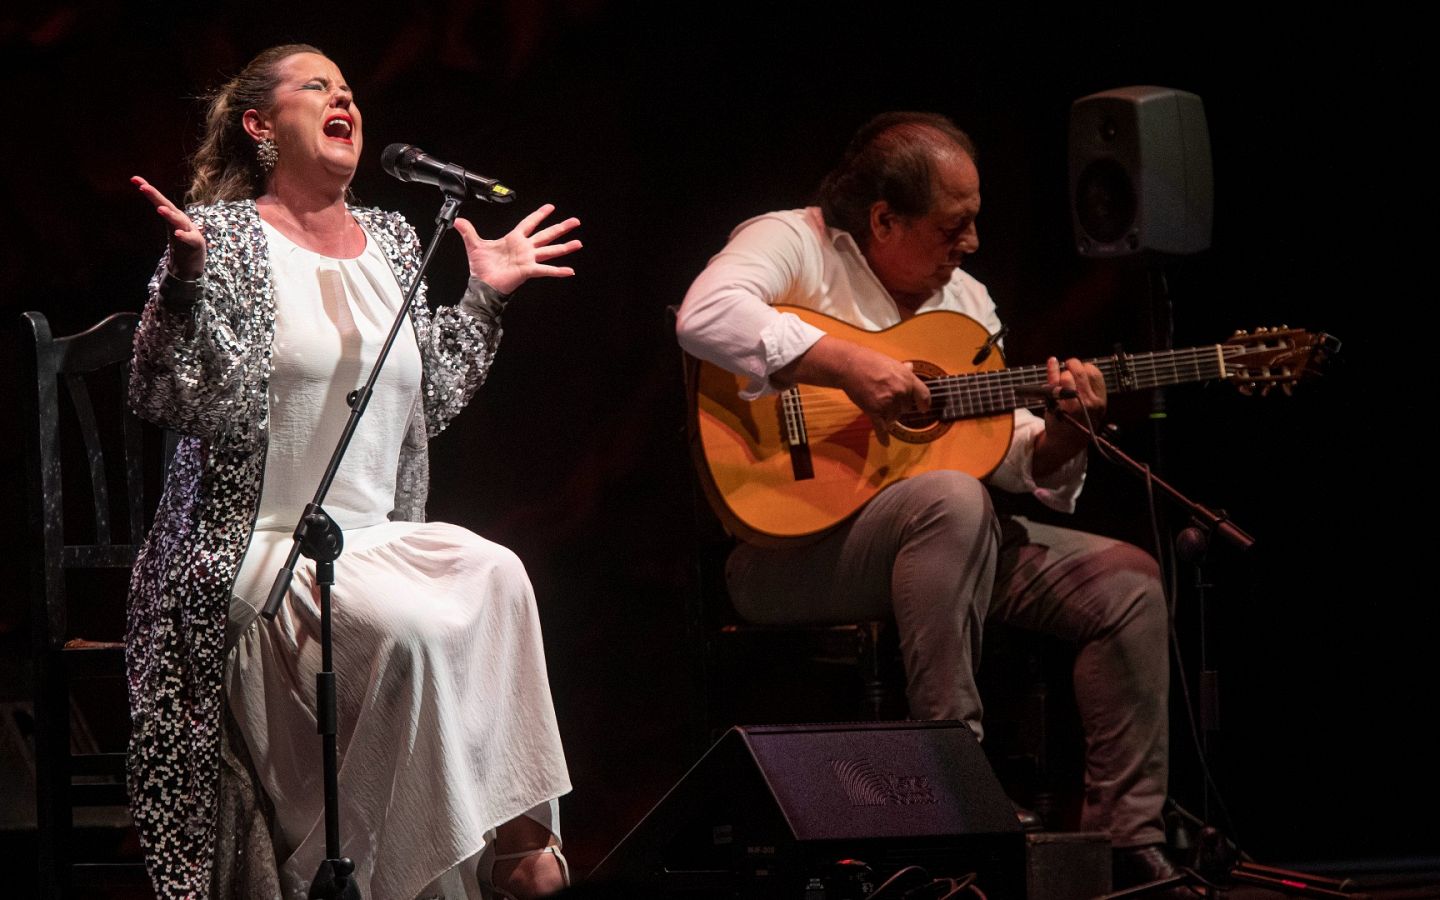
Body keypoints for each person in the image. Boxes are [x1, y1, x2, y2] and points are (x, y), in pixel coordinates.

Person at [675, 112, 1186, 892]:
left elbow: (1009, 453)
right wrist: (846, 364)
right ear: (884, 219)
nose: (972, 244)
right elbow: (705, 314)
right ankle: (956, 795)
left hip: (946, 542)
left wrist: (1065, 436)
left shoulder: (968, 301)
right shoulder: (793, 241)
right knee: (949, 499)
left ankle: (1126, 841)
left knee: (1128, 583)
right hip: (787, 555)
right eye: (956, 226)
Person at [126, 44, 581, 900]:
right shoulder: (221, 236)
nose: (344, 99)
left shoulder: (395, 240)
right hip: (256, 550)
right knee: (411, 631)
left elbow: (423, 401)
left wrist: (484, 296)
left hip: (373, 538)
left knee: (500, 573)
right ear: (260, 125)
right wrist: (182, 290)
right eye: (316, 88)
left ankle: (520, 851)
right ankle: (417, 877)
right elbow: (175, 395)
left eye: (348, 90)